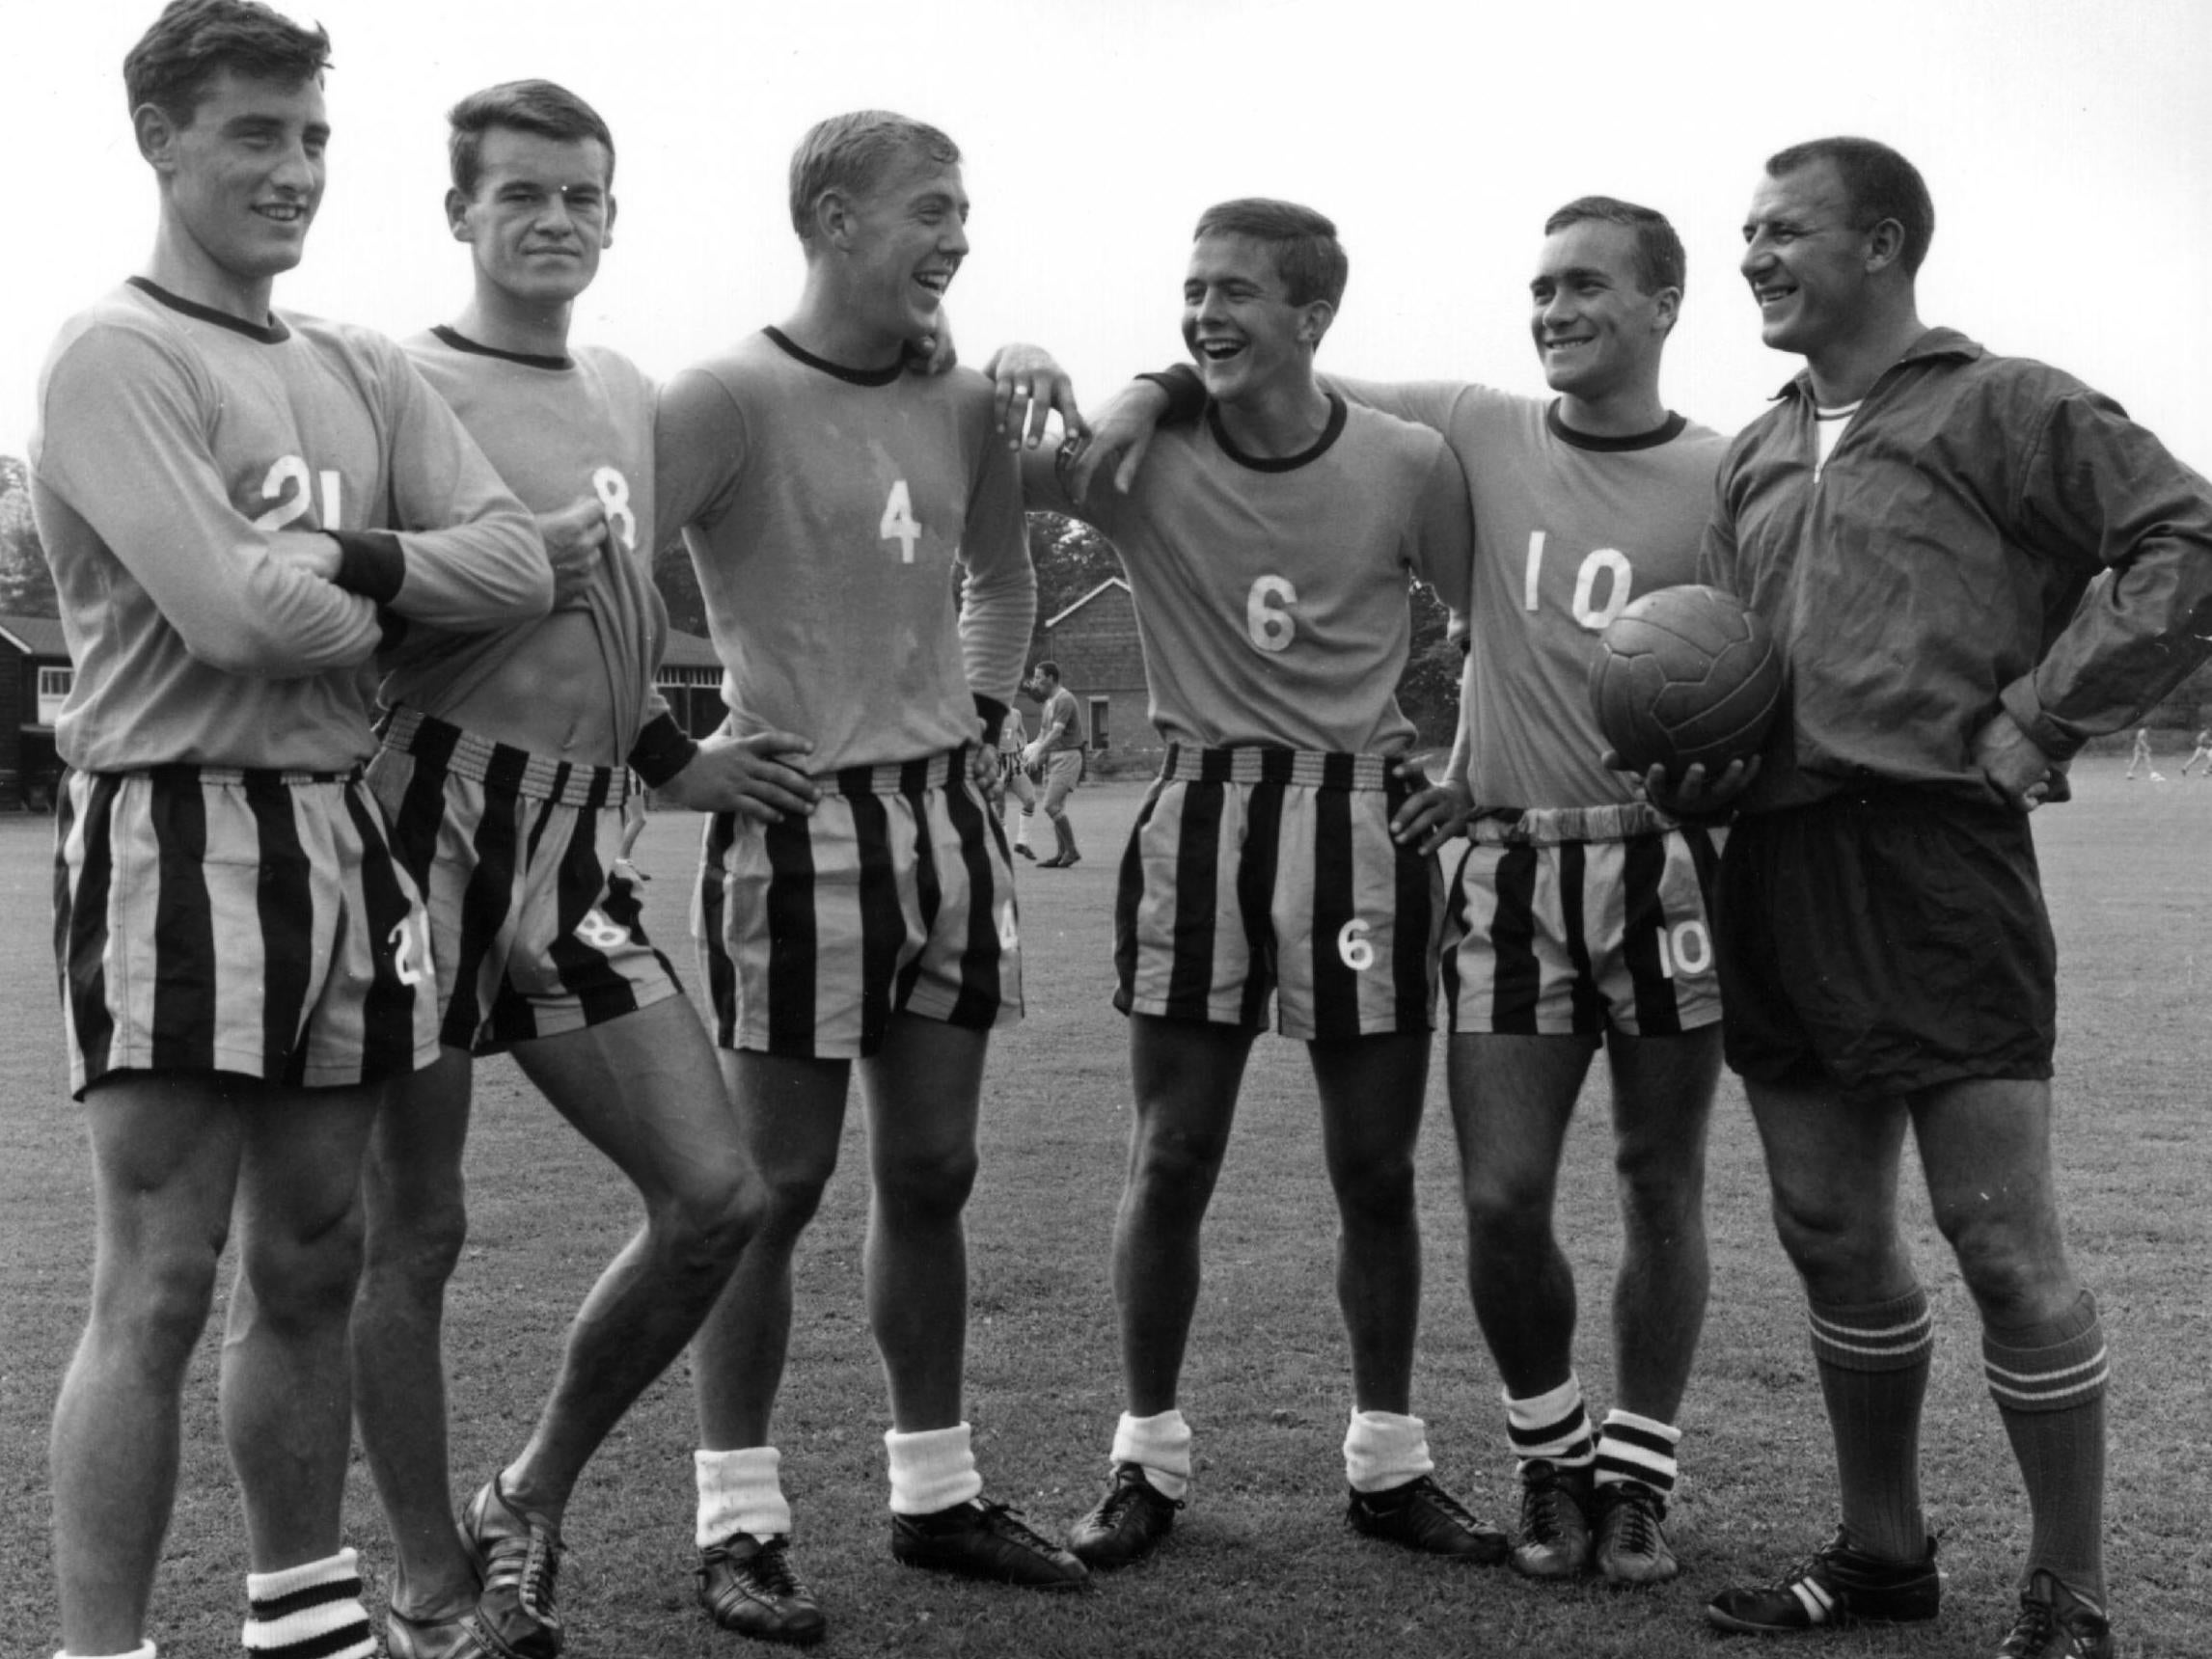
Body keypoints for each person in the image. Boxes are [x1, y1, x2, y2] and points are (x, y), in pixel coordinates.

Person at [1075, 196, 1730, 1588]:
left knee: (1559, 1176)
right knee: (1258, 1165)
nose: (1550, 309)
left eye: (1583, 286)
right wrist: (1147, 374)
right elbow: (1252, 375)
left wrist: (1695, 768)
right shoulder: (1469, 424)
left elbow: (1560, 625)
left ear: (1666, 300)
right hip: (1345, 839)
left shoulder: (1703, 476)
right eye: (1539, 286)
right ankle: (1170, 1453)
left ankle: (1518, 1470)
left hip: (1564, 854)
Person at [29, 6, 551, 1657]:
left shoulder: (356, 362)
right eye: (255, 134)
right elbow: (225, 620)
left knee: (318, 1254)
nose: (293, 170)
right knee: (161, 1279)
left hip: (340, 834)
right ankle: (98, 1650)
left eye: (313, 137)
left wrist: (359, 570)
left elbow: (519, 566)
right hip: (178, 835)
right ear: (160, 142)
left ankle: (301, 1613)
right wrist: (391, 584)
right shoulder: (114, 352)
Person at [1684, 137, 2212, 1657]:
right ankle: (1881, 1557)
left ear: (1885, 242)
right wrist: (1690, 764)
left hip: (1933, 856)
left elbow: (2182, 535)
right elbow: (1725, 657)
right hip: (1775, 861)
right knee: (1826, 1226)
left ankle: (2071, 1593)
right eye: (1744, 234)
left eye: (1783, 232)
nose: (1754, 258)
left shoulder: (2004, 401)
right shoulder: (1755, 446)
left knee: (1996, 1234)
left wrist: (2048, 710)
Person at [349, 80, 817, 1659]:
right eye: (522, 194)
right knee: (411, 1230)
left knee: (715, 1194)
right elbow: (338, 626)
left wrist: (676, 759)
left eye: (582, 198)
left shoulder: (623, 384)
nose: (555, 220)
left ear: (612, 218)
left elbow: (617, 614)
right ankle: (428, 1589)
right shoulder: (388, 382)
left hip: (570, 850)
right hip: (411, 834)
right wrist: (479, 581)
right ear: (459, 214)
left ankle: (523, 1495)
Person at [1014, 199, 1495, 1574]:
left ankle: (1388, 1462)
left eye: (1235, 292)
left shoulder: (1407, 461)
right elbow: (986, 454)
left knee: (1376, 1172)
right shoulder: (1135, 454)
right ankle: (1146, 1454)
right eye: (1192, 290)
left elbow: (1487, 633)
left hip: (1358, 825)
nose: (1204, 314)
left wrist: (1461, 765)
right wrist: (1032, 362)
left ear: (1313, 316)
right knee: (1169, 1156)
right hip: (1203, 814)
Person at [656, 109, 1078, 1647]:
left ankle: (934, 1491)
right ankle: (740, 1517)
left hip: (948, 828)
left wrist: (969, 716)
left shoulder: (963, 403)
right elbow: (594, 558)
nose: (955, 234)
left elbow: (1005, 575)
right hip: (792, 828)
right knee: (772, 1194)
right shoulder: (722, 394)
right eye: (930, 209)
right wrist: (666, 756)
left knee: (936, 1175)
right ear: (833, 218)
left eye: (964, 208)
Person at [1023, 660, 1086, 866]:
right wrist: (1028, 751)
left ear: (1051, 678)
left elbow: (1057, 732)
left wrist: (1038, 751)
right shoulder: (1049, 702)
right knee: (1056, 806)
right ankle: (1061, 854)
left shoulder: (1064, 699)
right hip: (1054, 758)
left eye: (1039, 677)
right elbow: (1043, 734)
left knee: (1050, 805)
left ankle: (1072, 851)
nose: (1036, 681)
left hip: (1067, 756)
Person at [997, 700, 1040, 857]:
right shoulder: (989, 712)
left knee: (1030, 800)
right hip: (996, 765)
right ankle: (1001, 851)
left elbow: (1022, 732)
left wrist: (1022, 749)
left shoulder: (1016, 713)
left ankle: (1022, 843)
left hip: (1014, 763)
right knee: (999, 809)